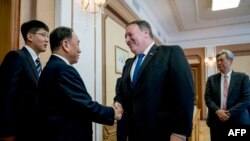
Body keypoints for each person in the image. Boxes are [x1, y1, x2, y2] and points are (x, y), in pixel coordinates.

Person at [113, 20, 194, 141]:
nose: (127, 40)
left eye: (130, 34)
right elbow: (122, 93)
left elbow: (185, 94)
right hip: (133, 133)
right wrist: (118, 102)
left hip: (162, 133)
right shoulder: (128, 64)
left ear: (146, 33)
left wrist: (180, 132)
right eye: (125, 37)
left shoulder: (171, 53)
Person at [37, 26, 123, 141]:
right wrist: (112, 112)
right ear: (66, 45)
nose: (79, 50)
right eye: (77, 44)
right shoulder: (63, 69)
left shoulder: (52, 67)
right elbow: (84, 105)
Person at [0, 20, 49, 141]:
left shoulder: (37, 63)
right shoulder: (16, 57)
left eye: (48, 36)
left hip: (34, 131)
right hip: (18, 132)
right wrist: (6, 132)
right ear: (30, 36)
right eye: (43, 35)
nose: (47, 40)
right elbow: (6, 96)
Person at [205, 49, 250, 141]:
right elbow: (207, 98)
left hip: (238, 120)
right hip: (216, 121)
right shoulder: (211, 79)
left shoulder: (243, 78)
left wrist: (228, 113)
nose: (218, 63)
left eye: (221, 60)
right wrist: (218, 111)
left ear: (230, 61)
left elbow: (246, 99)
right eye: (217, 61)